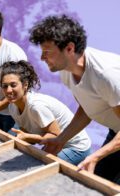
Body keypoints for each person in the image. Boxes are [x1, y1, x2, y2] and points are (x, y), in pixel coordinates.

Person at [29, 14, 120, 184]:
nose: (42, 58)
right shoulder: (67, 71)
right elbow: (86, 108)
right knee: (92, 183)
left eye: (47, 52)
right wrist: (60, 140)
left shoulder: (107, 75)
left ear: (69, 48)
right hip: (117, 132)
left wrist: (96, 156)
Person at [0, 60, 91, 165]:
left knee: (40, 167)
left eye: (13, 85)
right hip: (54, 144)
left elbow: (55, 136)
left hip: (76, 147)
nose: (8, 90)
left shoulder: (36, 106)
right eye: (4, 86)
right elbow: (27, 135)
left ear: (25, 85)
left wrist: (27, 138)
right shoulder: (12, 107)